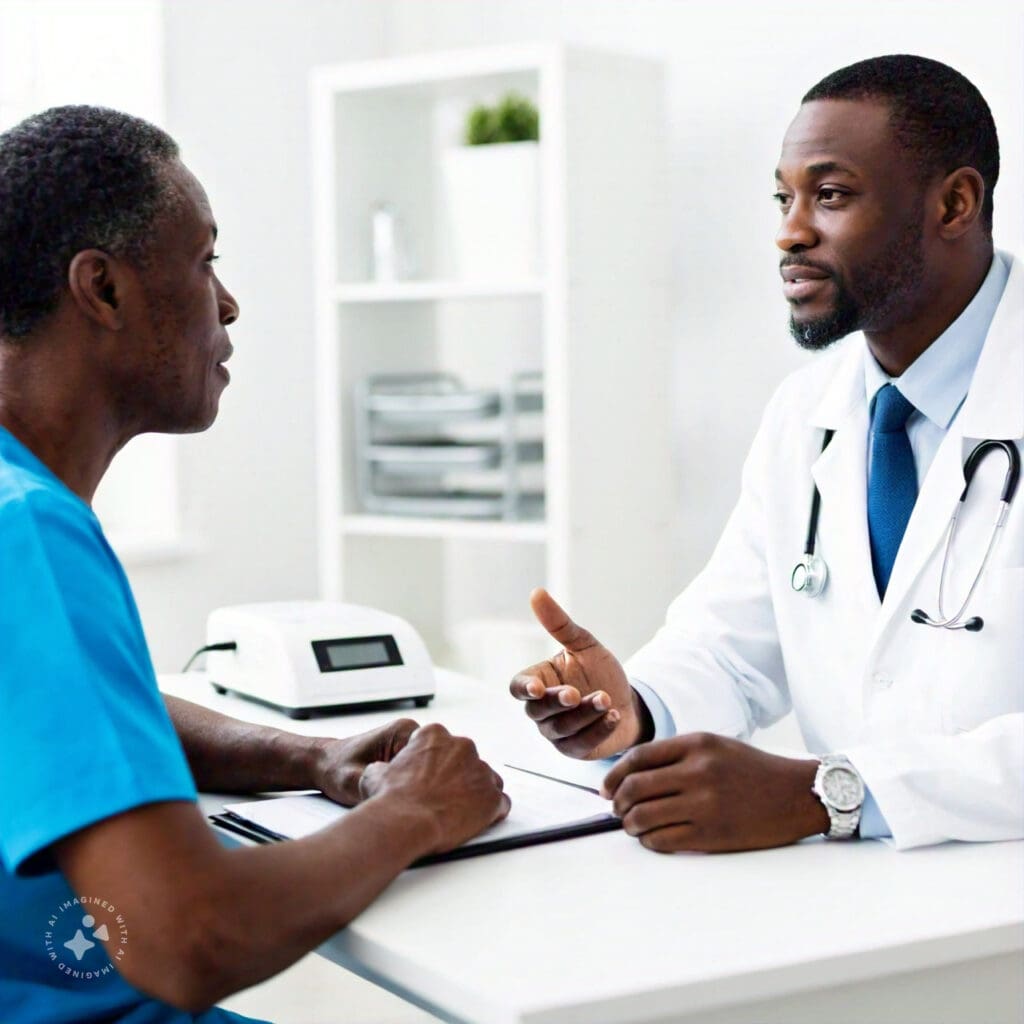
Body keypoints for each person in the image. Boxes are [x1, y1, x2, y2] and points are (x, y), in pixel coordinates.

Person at [0, 105, 509, 1021]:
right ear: (103, 291)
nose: (226, 304)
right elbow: (191, 936)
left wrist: (310, 758)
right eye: (205, 262)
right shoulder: (26, 533)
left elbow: (68, 707)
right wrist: (417, 811)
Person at [510, 54, 1022, 853]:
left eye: (831, 195)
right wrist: (632, 708)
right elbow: (734, 642)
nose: (789, 231)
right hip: (859, 904)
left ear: (955, 203)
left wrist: (830, 795)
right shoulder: (805, 413)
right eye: (784, 198)